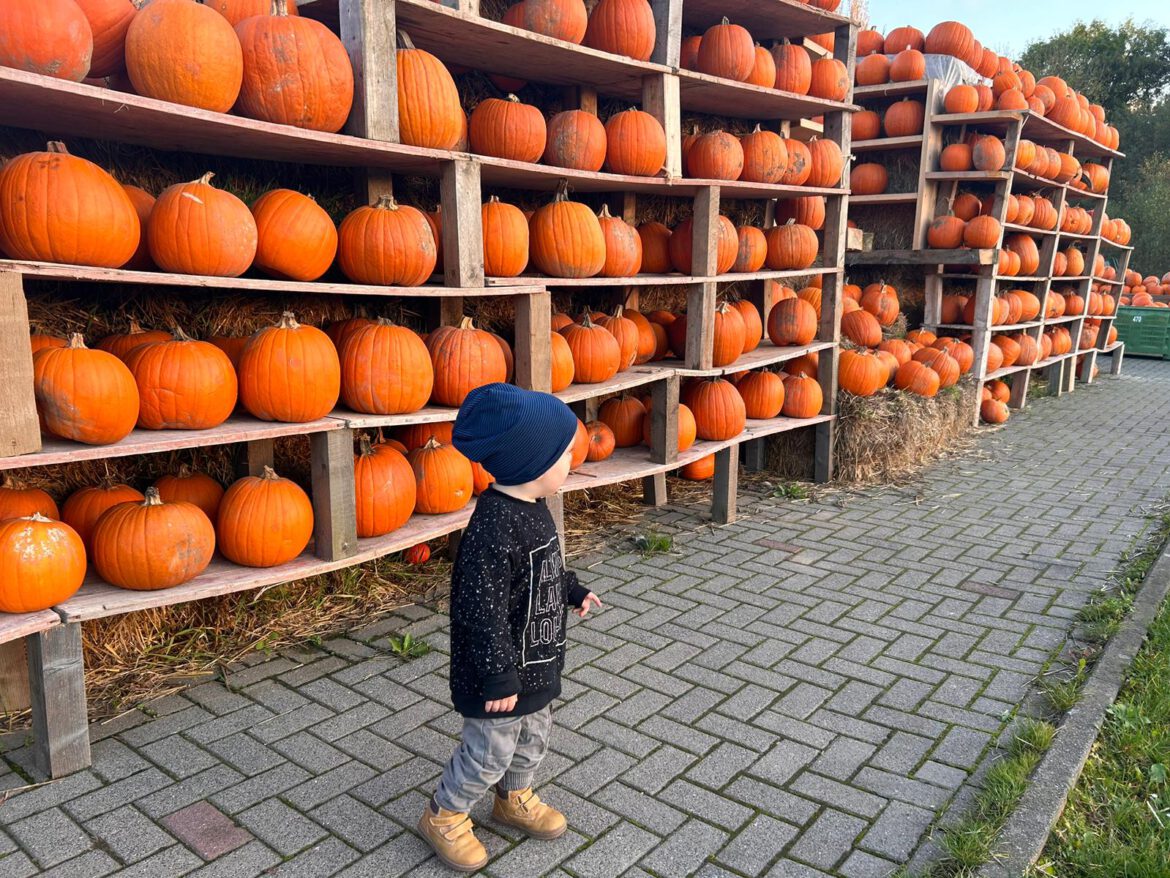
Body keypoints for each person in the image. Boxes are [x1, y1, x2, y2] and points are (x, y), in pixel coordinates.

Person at [418, 382, 602, 872]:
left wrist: (572, 590)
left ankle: (512, 797)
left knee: (533, 736)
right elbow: (480, 612)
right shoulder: (493, 528)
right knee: (488, 750)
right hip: (498, 676)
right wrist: (498, 675)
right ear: (530, 464)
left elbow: (545, 566)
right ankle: (445, 814)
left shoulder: (534, 510)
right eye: (565, 453)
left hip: (536, 665)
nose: (572, 460)